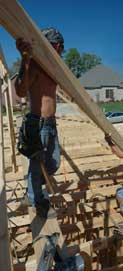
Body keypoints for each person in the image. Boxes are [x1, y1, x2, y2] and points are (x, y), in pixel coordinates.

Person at [15, 27, 64, 218]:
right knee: (38, 165)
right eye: (52, 46)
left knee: (54, 163)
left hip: (50, 123)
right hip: (39, 123)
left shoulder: (56, 66)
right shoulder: (34, 64)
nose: (56, 50)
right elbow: (20, 91)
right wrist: (25, 61)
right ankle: (36, 200)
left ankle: (33, 187)